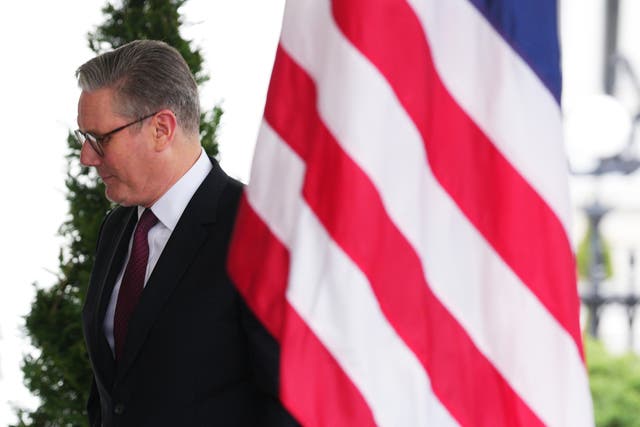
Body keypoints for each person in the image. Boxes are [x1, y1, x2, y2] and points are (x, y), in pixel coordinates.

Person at [76, 39, 297, 426]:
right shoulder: (116, 228)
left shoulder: (257, 231)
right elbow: (111, 393)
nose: (86, 157)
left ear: (162, 129)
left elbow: (289, 404)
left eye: (100, 139)